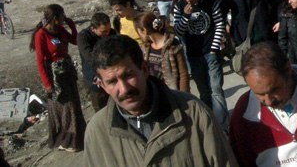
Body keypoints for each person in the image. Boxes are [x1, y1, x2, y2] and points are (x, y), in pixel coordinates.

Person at [84, 35, 238, 166]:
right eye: (112, 82)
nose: (123, 89)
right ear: (102, 85)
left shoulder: (193, 113)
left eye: (128, 76)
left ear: (144, 69)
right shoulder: (97, 133)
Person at [173, 0, 228, 131]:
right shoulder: (179, 7)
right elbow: (178, 31)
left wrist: (214, 47)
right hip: (193, 53)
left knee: (216, 88)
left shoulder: (211, 3)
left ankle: (224, 126)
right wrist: (185, 17)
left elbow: (219, 24)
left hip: (210, 52)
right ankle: (210, 124)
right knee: (203, 91)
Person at [30, 4, 86, 152]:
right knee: (63, 107)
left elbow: (74, 40)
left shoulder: (60, 30)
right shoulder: (41, 35)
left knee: (73, 104)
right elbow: (40, 61)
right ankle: (65, 140)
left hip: (67, 73)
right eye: (62, 15)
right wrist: (47, 83)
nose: (63, 17)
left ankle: (76, 138)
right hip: (54, 76)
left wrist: (72, 26)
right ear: (54, 18)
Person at [135, 11, 189, 92]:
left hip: (171, 93)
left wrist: (184, 96)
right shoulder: (145, 48)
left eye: (138, 32)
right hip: (153, 92)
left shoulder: (172, 45)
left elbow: (183, 74)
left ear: (145, 31)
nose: (138, 36)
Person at [77, 12, 115, 112]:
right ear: (93, 28)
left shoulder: (111, 33)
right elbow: (89, 56)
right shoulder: (83, 37)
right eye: (103, 31)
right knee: (101, 109)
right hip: (94, 76)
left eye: (108, 30)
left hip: (112, 75)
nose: (107, 34)